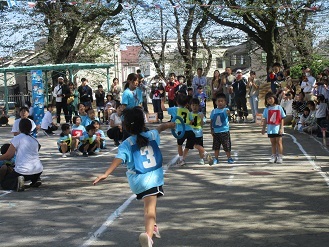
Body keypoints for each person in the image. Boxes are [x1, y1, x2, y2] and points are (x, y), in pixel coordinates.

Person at [93, 106, 176, 247]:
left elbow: (117, 160)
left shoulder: (126, 144)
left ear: (126, 127)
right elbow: (162, 126)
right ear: (143, 123)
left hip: (136, 181)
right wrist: (173, 124)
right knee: (150, 210)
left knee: (148, 204)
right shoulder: (153, 135)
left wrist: (106, 174)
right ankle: (148, 237)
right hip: (152, 178)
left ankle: (153, 226)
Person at [0, 118, 43, 192]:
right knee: (31, 173)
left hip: (23, 171)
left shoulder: (17, 138)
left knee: (5, 183)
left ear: (20, 127)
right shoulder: (34, 139)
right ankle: (35, 180)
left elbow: (8, 155)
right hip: (38, 170)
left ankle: (18, 182)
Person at [261, 92, 286, 164]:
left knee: (279, 142)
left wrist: (281, 128)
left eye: (271, 98)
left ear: (274, 98)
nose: (269, 100)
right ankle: (273, 156)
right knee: (273, 143)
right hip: (270, 128)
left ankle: (280, 156)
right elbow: (265, 119)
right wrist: (263, 128)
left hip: (277, 128)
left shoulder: (279, 107)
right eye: (268, 99)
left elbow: (282, 118)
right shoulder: (267, 109)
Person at [210, 93, 235, 165]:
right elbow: (211, 121)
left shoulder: (225, 109)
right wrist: (211, 130)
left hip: (224, 131)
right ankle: (216, 158)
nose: (220, 103)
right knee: (216, 146)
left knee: (226, 146)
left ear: (225, 102)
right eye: (218, 101)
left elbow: (228, 113)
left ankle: (229, 157)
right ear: (216, 102)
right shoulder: (213, 111)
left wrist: (229, 112)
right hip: (216, 132)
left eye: (222, 101)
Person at [190, 98, 213, 165]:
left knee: (198, 146)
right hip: (191, 133)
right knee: (197, 146)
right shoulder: (189, 114)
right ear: (190, 106)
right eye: (193, 105)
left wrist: (202, 119)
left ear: (199, 106)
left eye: (196, 105)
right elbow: (187, 123)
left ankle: (202, 158)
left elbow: (203, 123)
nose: (194, 107)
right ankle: (205, 154)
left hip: (199, 133)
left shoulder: (201, 114)